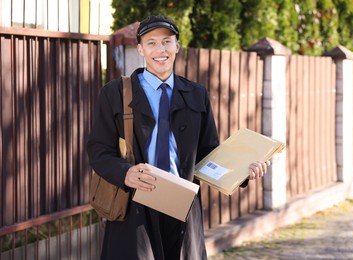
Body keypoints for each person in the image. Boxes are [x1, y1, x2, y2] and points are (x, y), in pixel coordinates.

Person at [87, 15, 270, 260]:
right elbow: (99, 150)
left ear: (177, 46)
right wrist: (125, 173)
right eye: (151, 43)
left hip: (183, 207)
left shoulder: (197, 94)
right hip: (135, 209)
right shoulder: (115, 93)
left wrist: (243, 171)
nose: (160, 50)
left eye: (166, 42)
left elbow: (208, 155)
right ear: (140, 49)